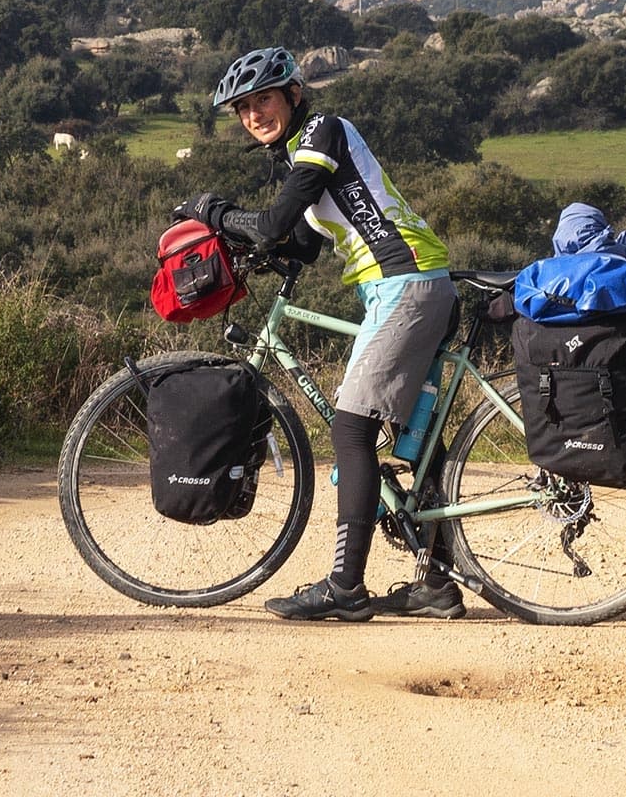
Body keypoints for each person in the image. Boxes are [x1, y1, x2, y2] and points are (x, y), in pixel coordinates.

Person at [177, 46, 462, 622]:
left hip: (404, 282)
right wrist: (251, 254)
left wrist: (214, 213)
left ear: (294, 94)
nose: (255, 114)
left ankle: (345, 588)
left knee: (353, 428)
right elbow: (299, 241)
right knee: (417, 436)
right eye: (244, 108)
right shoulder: (303, 155)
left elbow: (275, 223)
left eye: (264, 99)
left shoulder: (322, 133)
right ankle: (436, 580)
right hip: (408, 283)